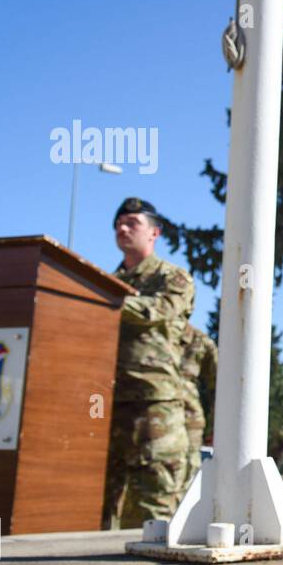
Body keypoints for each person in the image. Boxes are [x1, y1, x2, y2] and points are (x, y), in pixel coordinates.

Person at [103, 198, 195, 529]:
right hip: (106, 405)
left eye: (132, 223)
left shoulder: (172, 278)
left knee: (155, 509)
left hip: (154, 405)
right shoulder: (103, 283)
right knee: (102, 511)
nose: (122, 229)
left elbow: (157, 312)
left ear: (154, 232)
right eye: (118, 224)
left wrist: (105, 302)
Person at [179, 322, 218, 487]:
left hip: (185, 420)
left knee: (182, 477)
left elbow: (221, 387)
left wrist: (217, 431)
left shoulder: (198, 339)